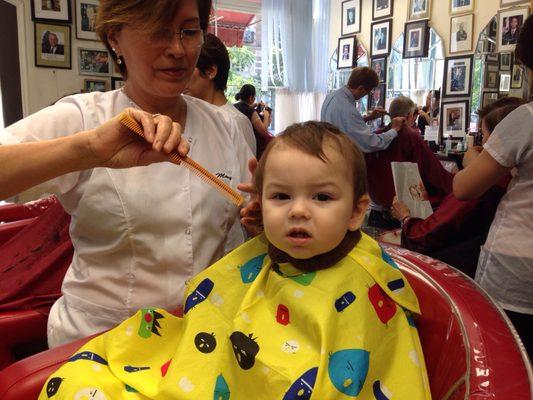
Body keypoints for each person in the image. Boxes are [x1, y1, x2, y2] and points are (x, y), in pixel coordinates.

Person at [38, 121, 430, 400]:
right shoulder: (268, 255)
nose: (298, 211)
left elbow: (361, 373)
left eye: (322, 197)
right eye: (280, 197)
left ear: (357, 212)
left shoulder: (365, 283)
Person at [0, 0, 253, 349]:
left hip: (200, 341)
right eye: (158, 31)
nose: (178, 49)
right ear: (115, 36)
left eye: (189, 31)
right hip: (97, 345)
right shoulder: (85, 117)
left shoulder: (226, 126)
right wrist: (89, 149)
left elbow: (245, 231)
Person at [453, 15, 533, 358]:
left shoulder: (527, 119)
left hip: (516, 265)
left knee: (507, 359)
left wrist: (474, 159)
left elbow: (464, 189)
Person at [391, 98, 525, 277]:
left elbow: (423, 237)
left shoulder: (481, 187)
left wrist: (405, 218)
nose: (482, 142)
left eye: (484, 135)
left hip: (453, 267)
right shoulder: (516, 182)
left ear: (497, 139)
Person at [365, 96, 453, 214]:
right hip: (403, 202)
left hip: (378, 199)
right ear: (408, 116)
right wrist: (454, 181)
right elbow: (434, 172)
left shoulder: (377, 136)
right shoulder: (412, 137)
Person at [185, 33, 256, 154]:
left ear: (210, 71)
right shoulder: (188, 114)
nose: (180, 78)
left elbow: (248, 171)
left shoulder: (237, 122)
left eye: (187, 69)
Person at [321, 67, 404, 153]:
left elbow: (343, 124)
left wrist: (367, 118)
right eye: (368, 92)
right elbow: (371, 143)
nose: (366, 95)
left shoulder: (331, 96)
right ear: (361, 88)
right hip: (340, 157)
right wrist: (394, 129)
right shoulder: (348, 110)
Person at [233, 84, 273, 159]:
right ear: (251, 97)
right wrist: (266, 115)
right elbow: (264, 131)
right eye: (254, 97)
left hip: (234, 145)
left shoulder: (233, 107)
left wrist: (254, 105)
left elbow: (243, 110)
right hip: (248, 149)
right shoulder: (251, 112)